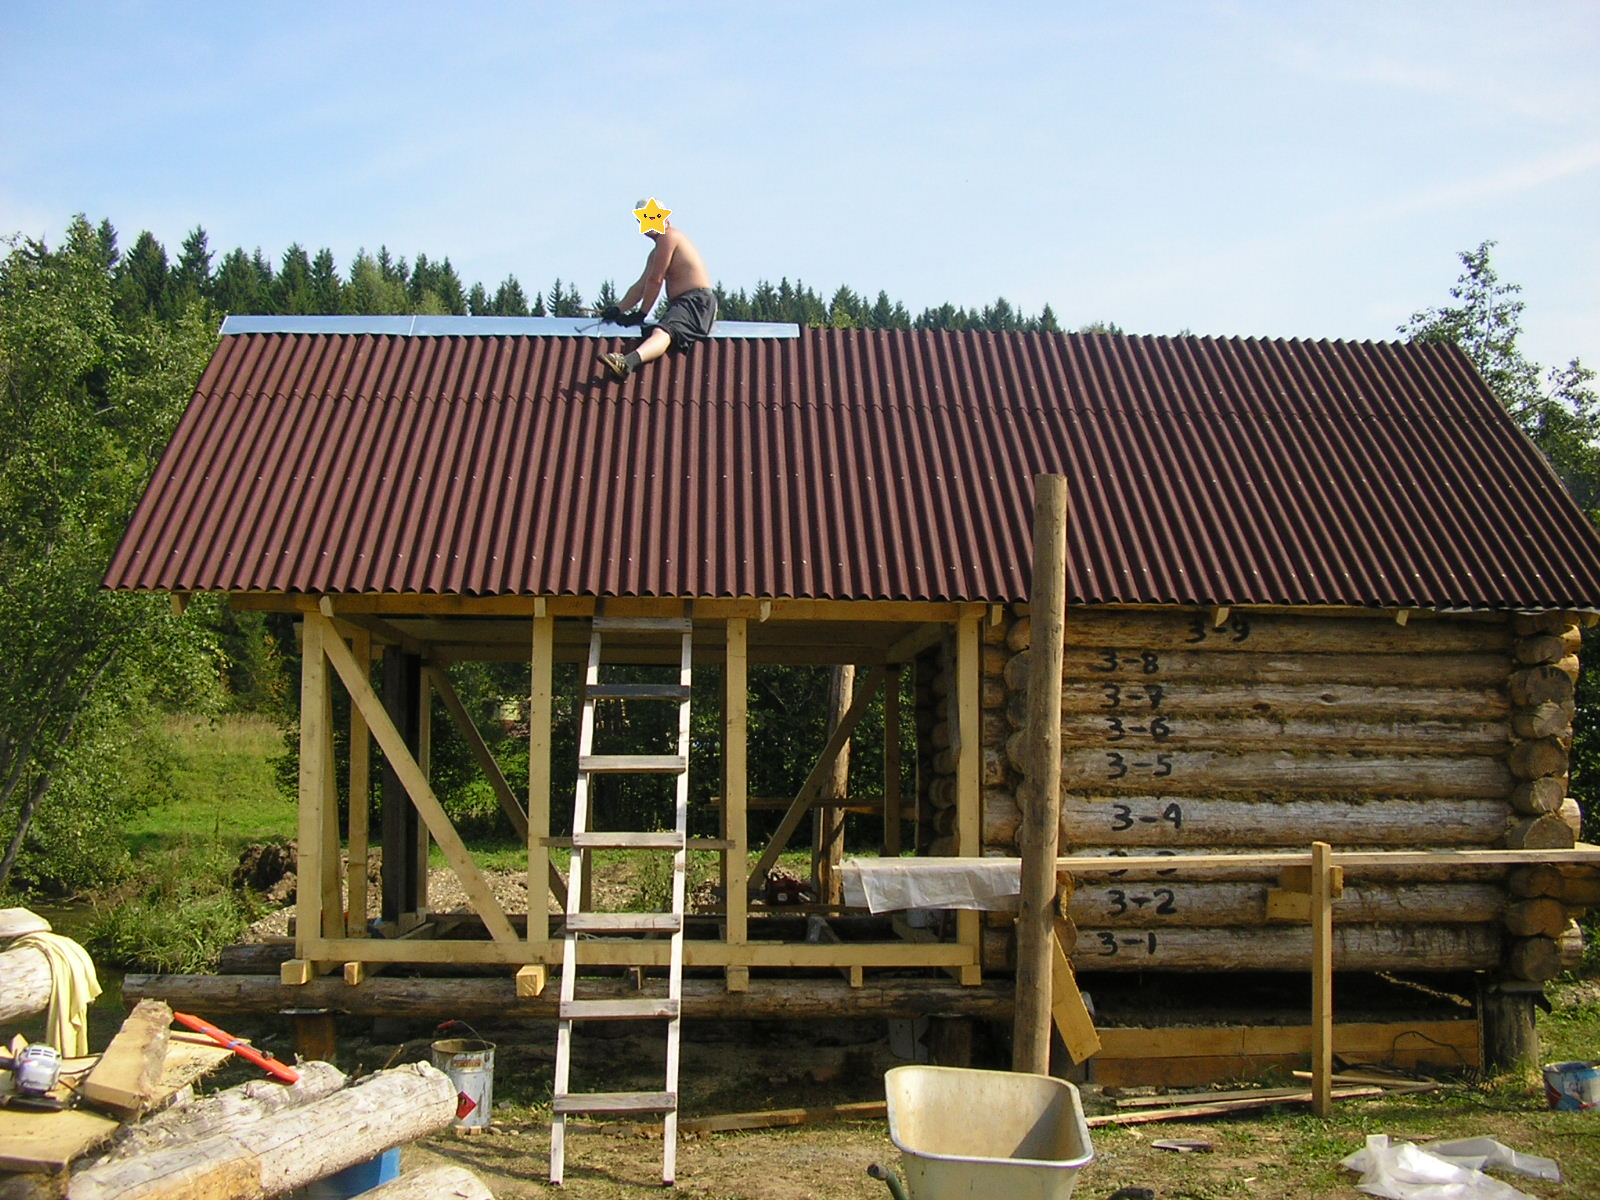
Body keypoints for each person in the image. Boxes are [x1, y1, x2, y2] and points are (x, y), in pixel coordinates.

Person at [597, 201, 717, 379]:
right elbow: (641, 286)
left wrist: (642, 313)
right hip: (684, 303)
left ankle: (627, 363)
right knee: (660, 330)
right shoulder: (656, 252)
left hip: (696, 302)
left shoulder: (669, 237)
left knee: (662, 331)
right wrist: (618, 309)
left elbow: (655, 280)